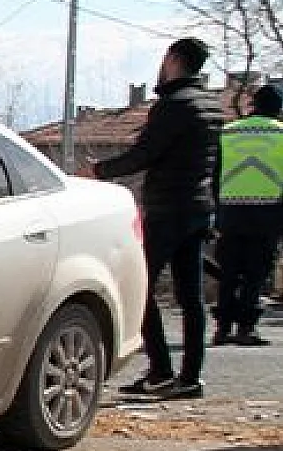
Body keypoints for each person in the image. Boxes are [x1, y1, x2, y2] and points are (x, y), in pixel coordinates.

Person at [79, 37, 224, 400]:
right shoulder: (211, 105)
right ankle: (190, 377)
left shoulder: (174, 105)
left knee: (139, 285)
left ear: (172, 60)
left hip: (168, 209)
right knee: (191, 297)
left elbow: (144, 154)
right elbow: (215, 162)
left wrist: (98, 171)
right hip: (199, 208)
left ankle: (160, 370)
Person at [212, 83, 283, 347]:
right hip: (268, 213)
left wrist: (219, 208)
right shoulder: (281, 133)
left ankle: (222, 328)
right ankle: (246, 327)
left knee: (229, 272)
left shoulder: (229, 132)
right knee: (256, 273)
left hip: (231, 212)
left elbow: (215, 174)